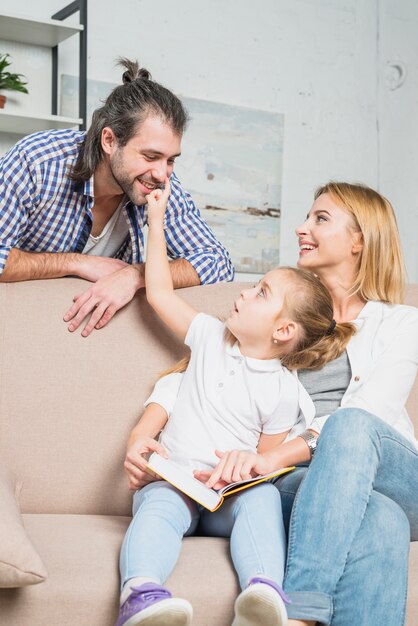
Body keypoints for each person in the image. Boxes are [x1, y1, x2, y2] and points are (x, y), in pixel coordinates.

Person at [125, 181, 418, 626]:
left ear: (359, 240)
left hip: (386, 469)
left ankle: (298, 612)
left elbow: (372, 412)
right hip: (308, 486)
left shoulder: (402, 323)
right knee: (380, 519)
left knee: (351, 426)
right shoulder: (287, 315)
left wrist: (271, 456)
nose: (302, 228)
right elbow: (202, 373)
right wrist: (147, 430)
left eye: (321, 218)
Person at [0, 58, 233, 337]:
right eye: (150, 156)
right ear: (110, 141)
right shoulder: (36, 162)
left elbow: (218, 263)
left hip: (95, 339)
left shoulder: (157, 182)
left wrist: (135, 275)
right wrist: (78, 262)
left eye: (171, 160)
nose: (162, 173)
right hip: (19, 326)